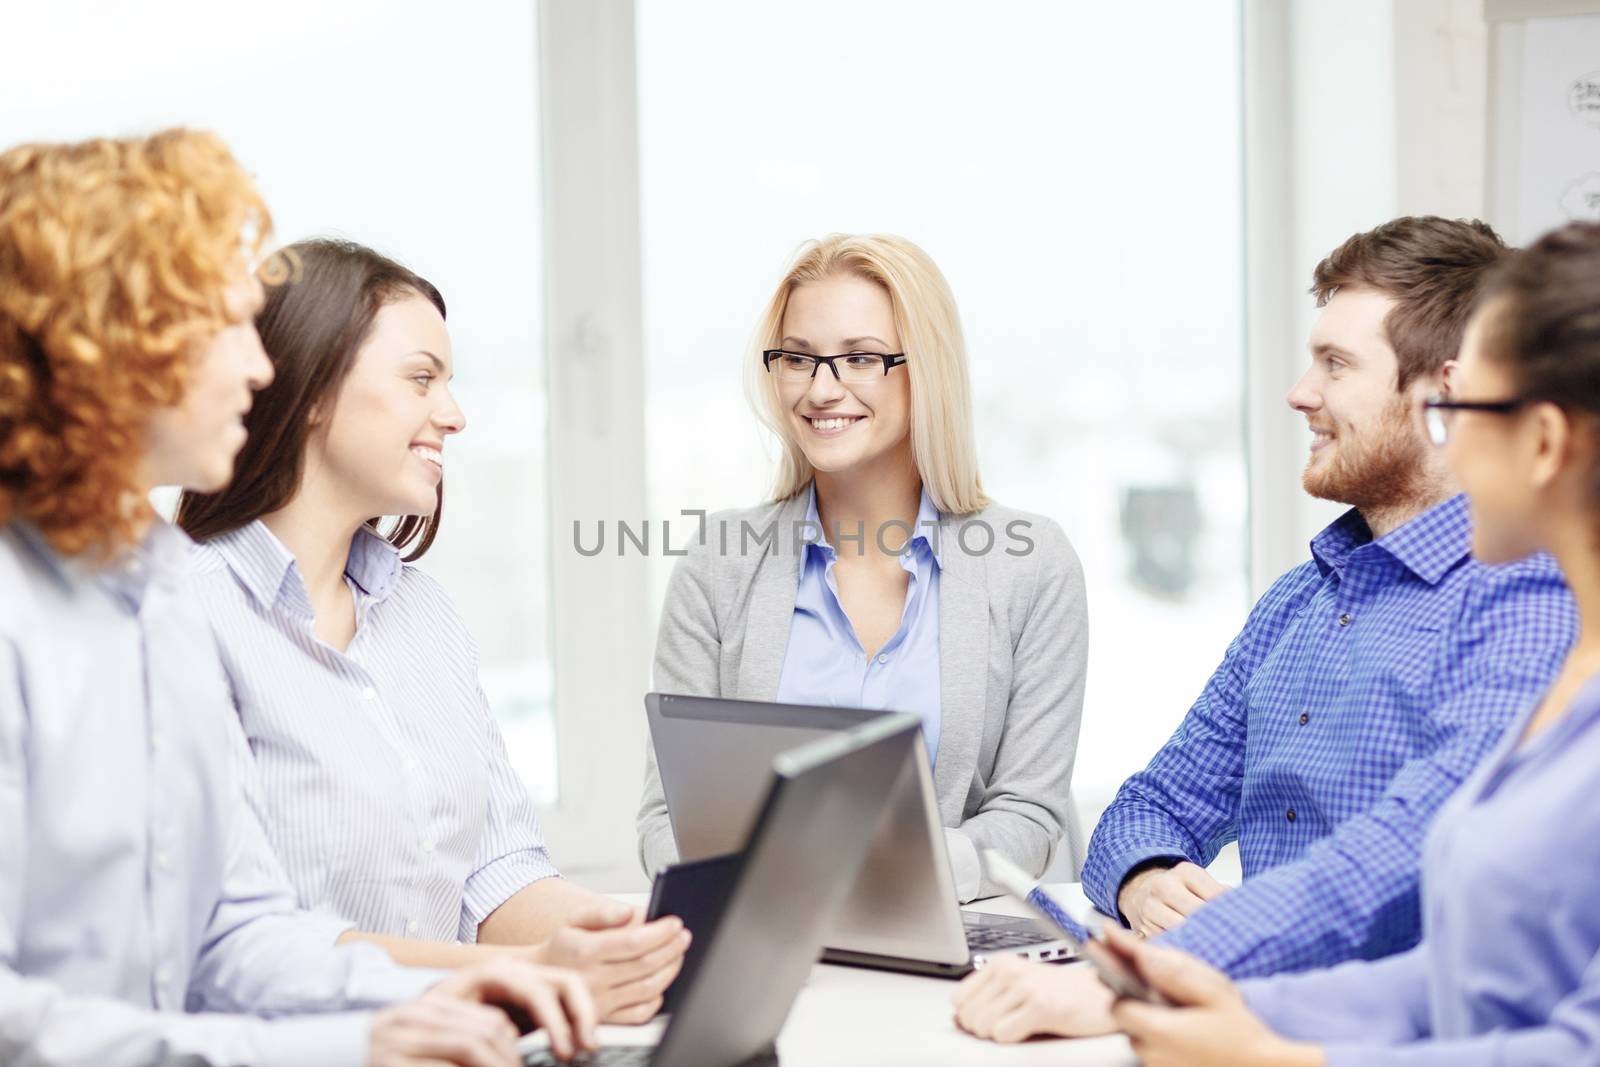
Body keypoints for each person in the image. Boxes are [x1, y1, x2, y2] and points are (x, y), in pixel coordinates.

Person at [0, 129, 595, 1067]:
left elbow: (230, 931)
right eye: (224, 325)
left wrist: (440, 993)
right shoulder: (54, 616)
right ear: (111, 338)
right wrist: (340, 1045)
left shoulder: (151, 592)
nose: (259, 365)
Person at [953, 216, 1578, 1040]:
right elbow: (1150, 804)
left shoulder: (1525, 604)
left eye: (1336, 363)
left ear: (1445, 396)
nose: (1300, 392)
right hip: (1256, 1012)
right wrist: (1147, 881)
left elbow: (1393, 861)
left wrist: (1153, 979)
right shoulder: (1300, 598)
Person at [175, 238, 689, 1024]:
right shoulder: (185, 620)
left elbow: (497, 871)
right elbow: (242, 940)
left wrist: (627, 939)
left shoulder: (424, 617)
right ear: (312, 389)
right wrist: (519, 973)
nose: (453, 414)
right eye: (421, 379)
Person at [636, 233, 1088, 903]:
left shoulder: (1032, 564)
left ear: (925, 370)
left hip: (957, 946)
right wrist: (746, 891)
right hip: (767, 937)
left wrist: (889, 878)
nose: (822, 389)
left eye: (860, 358)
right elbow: (665, 817)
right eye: (798, 358)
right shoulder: (717, 565)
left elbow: (1029, 814)